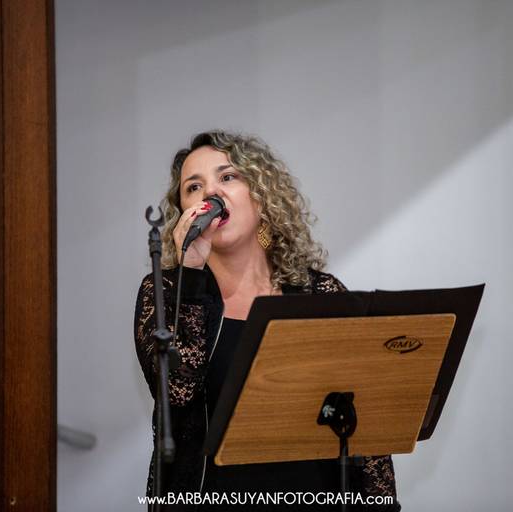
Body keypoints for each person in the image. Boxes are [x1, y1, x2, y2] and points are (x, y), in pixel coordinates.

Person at [134, 130, 400, 510]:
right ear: (184, 212)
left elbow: (364, 421)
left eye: (228, 177)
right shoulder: (165, 293)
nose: (211, 194)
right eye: (194, 187)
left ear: (261, 196)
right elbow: (176, 391)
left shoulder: (318, 293)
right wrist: (190, 273)